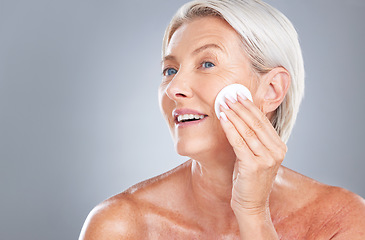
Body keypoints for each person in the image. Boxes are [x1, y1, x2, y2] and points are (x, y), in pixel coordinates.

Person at [79, 0, 365, 239]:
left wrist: (253, 214)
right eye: (170, 70)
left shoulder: (340, 220)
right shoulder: (120, 226)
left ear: (271, 89)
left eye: (207, 63)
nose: (174, 88)